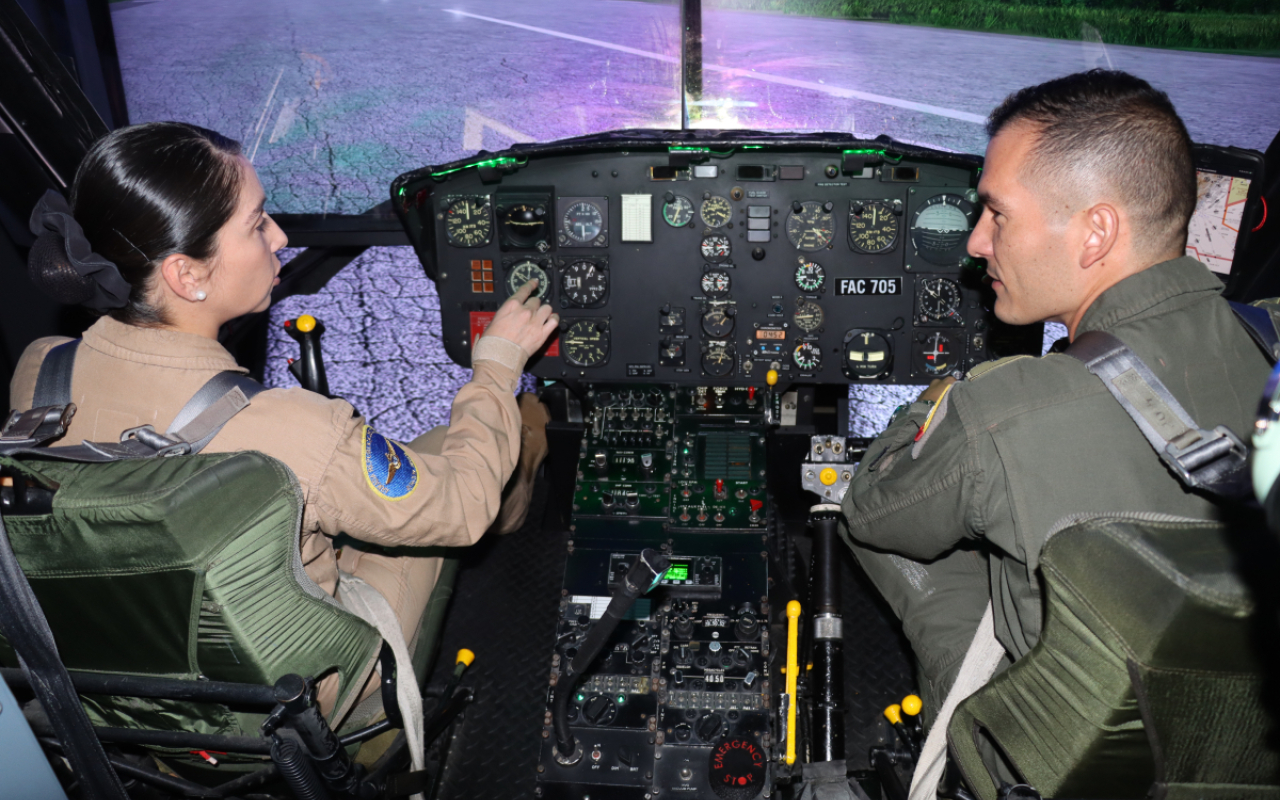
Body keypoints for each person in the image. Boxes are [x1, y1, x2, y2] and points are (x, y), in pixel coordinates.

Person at [8, 121, 558, 721]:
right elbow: (461, 508)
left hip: (128, 692)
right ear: (185, 274)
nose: (281, 235)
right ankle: (529, 454)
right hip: (306, 700)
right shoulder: (291, 432)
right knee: (457, 456)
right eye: (257, 222)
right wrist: (498, 366)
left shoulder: (43, 374)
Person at [839, 70, 1273, 717]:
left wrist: (942, 399)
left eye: (997, 213)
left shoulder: (1004, 412)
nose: (975, 241)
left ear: (1095, 233)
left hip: (1079, 749)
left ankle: (966, 738)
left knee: (869, 517)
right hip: (1243, 728)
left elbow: (874, 508)